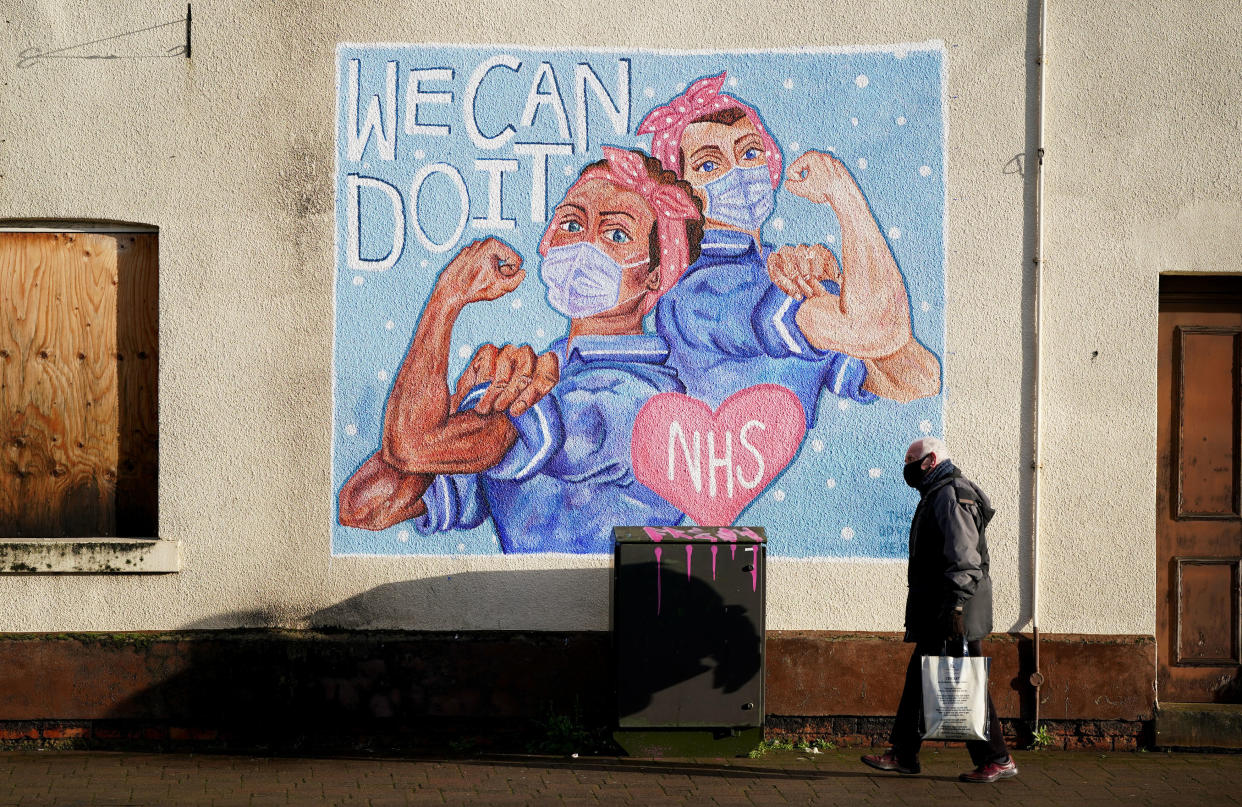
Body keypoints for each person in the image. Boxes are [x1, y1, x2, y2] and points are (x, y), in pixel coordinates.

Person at [337, 147, 705, 552]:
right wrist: (461, 405)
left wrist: (445, 300)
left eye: (616, 235)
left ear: (654, 276)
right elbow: (364, 507)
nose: (585, 245)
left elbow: (413, 447)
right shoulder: (544, 374)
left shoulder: (634, 400)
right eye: (571, 224)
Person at [637, 72, 940, 428]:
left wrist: (840, 294)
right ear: (684, 194)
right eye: (709, 164)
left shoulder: (778, 269)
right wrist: (843, 194)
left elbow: (917, 379)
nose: (738, 171)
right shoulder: (700, 291)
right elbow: (874, 330)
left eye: (750, 152)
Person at [861, 436, 1017, 782]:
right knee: (920, 678)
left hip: (954, 610)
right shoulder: (938, 493)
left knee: (968, 684)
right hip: (941, 608)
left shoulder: (950, 494)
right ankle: (904, 754)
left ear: (930, 461)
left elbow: (963, 557)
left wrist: (957, 608)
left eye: (911, 460)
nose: (907, 468)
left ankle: (997, 757)